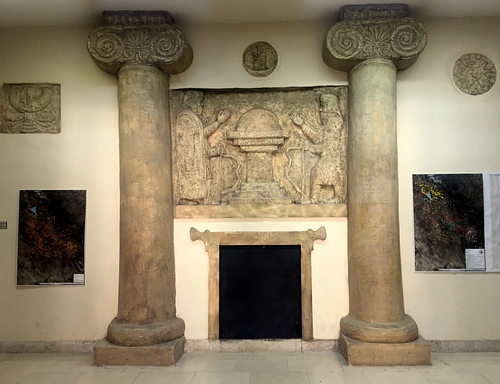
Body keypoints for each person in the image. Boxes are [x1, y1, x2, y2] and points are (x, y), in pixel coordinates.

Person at [175, 90, 230, 204]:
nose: (201, 105)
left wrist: (215, 151)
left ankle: (206, 199)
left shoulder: (194, 118)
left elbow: (202, 146)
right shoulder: (186, 117)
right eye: (199, 102)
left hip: (199, 160)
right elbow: (201, 134)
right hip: (191, 162)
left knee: (208, 178)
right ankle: (193, 199)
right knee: (198, 180)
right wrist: (218, 123)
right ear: (191, 101)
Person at [290, 93, 346, 203]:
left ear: (331, 106)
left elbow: (327, 146)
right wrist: (302, 125)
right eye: (320, 106)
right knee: (319, 175)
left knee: (324, 176)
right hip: (327, 155)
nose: (320, 110)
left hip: (331, 156)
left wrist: (310, 148)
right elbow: (317, 138)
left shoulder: (334, 121)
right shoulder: (327, 124)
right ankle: (316, 199)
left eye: (324, 105)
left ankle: (337, 198)